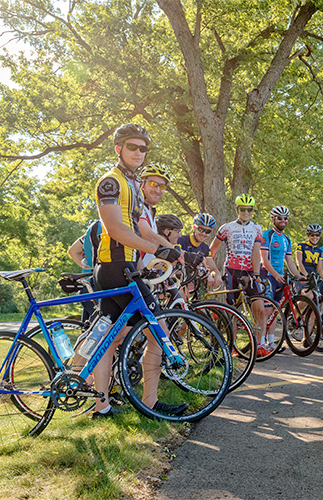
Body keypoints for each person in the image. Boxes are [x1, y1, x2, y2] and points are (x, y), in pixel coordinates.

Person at [92, 123, 183, 419]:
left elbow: (140, 226)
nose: (139, 152)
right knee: (159, 332)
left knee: (110, 340)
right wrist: (157, 249)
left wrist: (166, 250)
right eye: (133, 146)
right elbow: (115, 229)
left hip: (123, 267)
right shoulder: (111, 182)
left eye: (143, 148)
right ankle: (151, 404)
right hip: (117, 267)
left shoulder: (131, 184)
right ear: (118, 148)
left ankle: (101, 407)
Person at [209, 194, 267, 355]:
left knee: (260, 309)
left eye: (250, 209)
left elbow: (256, 251)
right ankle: (233, 347)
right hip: (231, 271)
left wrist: (256, 273)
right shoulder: (226, 227)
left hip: (249, 272)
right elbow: (212, 250)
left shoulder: (257, 228)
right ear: (237, 209)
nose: (246, 212)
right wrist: (209, 268)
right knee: (232, 311)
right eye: (243, 209)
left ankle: (259, 345)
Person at [260, 206, 302, 350]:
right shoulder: (267, 235)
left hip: (279, 277)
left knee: (274, 311)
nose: (283, 221)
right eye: (280, 218)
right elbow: (264, 260)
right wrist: (276, 274)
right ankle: (260, 344)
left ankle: (271, 343)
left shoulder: (286, 239)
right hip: (267, 275)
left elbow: (289, 261)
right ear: (273, 219)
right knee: (266, 311)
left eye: (285, 218)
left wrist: (298, 276)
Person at [136, 164, 173, 268]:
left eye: (162, 186)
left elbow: (148, 255)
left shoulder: (149, 210)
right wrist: (179, 253)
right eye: (153, 184)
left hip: (146, 272)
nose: (157, 190)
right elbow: (147, 235)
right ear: (142, 184)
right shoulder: (137, 205)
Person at [177, 213, 221, 288]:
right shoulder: (181, 241)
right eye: (200, 229)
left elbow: (212, 267)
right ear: (194, 228)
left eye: (207, 231)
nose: (203, 233)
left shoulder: (205, 248)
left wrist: (217, 275)